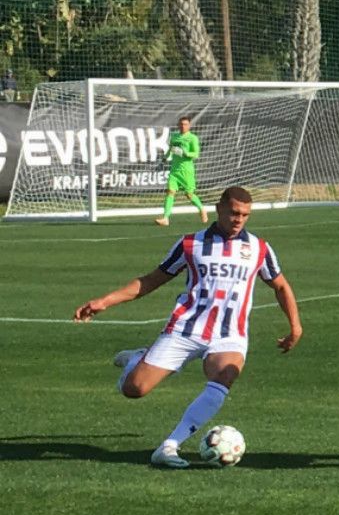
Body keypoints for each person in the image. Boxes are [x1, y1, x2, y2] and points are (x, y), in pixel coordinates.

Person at [73, 186, 302, 468]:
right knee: (134, 389)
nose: (238, 219)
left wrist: (295, 326)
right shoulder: (190, 244)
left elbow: (280, 285)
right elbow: (151, 280)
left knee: (223, 377)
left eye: (245, 215)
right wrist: (105, 301)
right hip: (186, 329)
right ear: (219, 209)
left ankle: (169, 446)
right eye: (233, 213)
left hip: (229, 335)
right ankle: (137, 359)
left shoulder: (258, 248)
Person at [156, 115, 206, 227]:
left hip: (187, 171)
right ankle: (165, 218)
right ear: (178, 125)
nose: (183, 126)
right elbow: (171, 148)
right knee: (170, 191)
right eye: (181, 124)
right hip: (174, 170)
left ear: (189, 126)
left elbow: (196, 154)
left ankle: (202, 209)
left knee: (189, 194)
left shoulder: (192, 138)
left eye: (185, 124)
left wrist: (186, 153)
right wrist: (164, 158)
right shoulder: (174, 136)